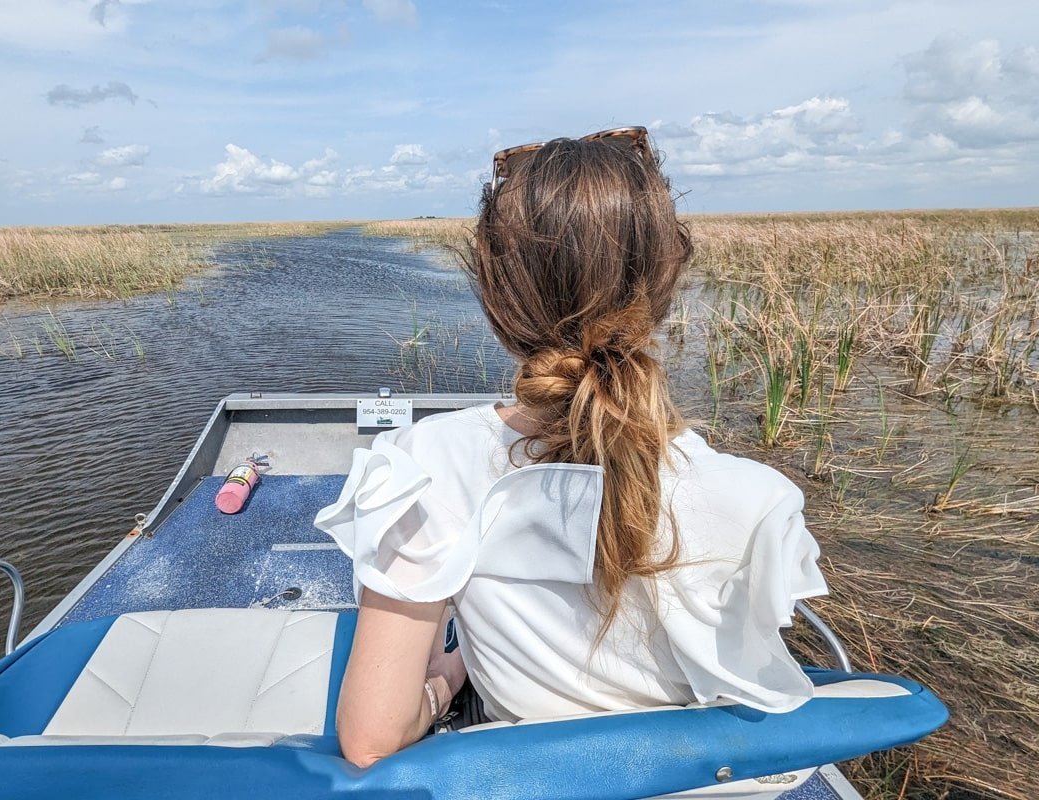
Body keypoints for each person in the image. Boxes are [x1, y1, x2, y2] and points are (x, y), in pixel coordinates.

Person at [313, 127, 828, 769]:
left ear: (497, 294)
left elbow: (372, 740)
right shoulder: (750, 498)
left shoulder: (431, 461)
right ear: (664, 280)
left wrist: (449, 676)